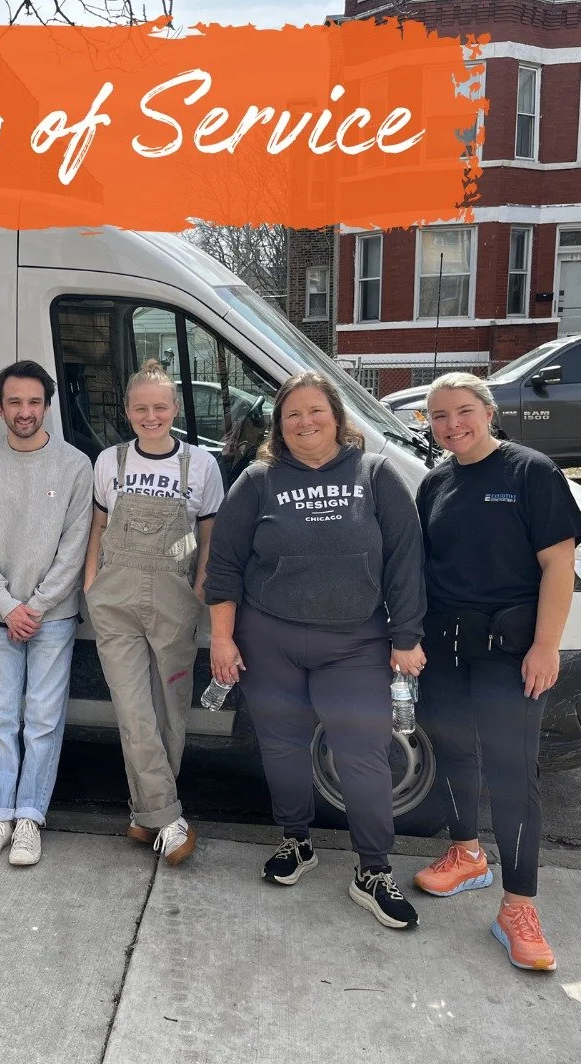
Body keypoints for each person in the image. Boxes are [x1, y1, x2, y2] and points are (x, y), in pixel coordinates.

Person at [205, 372, 426, 930]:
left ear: (337, 416)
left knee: (363, 755)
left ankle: (373, 869)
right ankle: (295, 840)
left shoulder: (375, 474)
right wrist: (223, 638)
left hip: (355, 643)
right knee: (282, 748)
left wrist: (406, 636)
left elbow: (405, 560)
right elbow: (224, 565)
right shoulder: (258, 481)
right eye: (292, 414)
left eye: (315, 411)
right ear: (279, 426)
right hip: (269, 639)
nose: (305, 422)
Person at [412, 372, 581, 970]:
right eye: (438, 416)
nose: (451, 424)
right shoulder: (434, 484)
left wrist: (546, 647)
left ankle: (518, 905)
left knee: (513, 774)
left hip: (511, 651)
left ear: (488, 412)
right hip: (445, 647)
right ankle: (466, 854)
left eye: (462, 411)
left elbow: (558, 568)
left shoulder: (531, 473)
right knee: (454, 753)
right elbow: (423, 569)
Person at [84, 359, 224, 866]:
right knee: (132, 709)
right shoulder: (111, 461)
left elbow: (207, 534)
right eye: (141, 408)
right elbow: (99, 526)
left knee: (170, 708)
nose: (151, 416)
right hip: (115, 598)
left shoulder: (200, 465)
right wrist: (91, 583)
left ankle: (145, 815)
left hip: (173, 598)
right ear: (127, 411)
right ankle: (168, 817)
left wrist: (198, 587)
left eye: (160, 407)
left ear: (175, 409)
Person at [0, 360, 93, 866]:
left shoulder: (75, 465)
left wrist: (33, 607)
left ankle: (30, 818)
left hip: (52, 618)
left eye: (34, 401)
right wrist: (8, 604)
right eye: (14, 401)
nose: (25, 411)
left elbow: (75, 547)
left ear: (48, 406)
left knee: (42, 719)